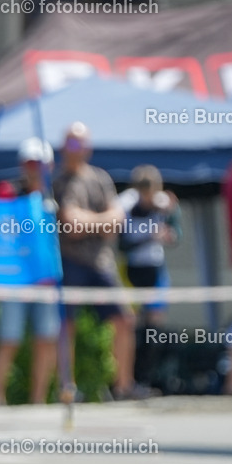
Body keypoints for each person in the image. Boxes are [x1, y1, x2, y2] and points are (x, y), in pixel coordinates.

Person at [54, 122, 147, 401]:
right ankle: (67, 388)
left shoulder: (100, 178)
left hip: (101, 263)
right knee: (66, 325)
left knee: (124, 318)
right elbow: (71, 224)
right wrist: (100, 222)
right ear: (64, 147)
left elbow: (116, 221)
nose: (77, 148)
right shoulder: (58, 182)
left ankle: (123, 385)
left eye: (81, 143)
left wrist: (88, 221)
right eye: (72, 143)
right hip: (68, 262)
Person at [0, 138, 61, 405]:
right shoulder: (7, 194)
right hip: (14, 281)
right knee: (9, 338)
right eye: (30, 164)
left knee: (47, 339)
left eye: (40, 164)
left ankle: (39, 400)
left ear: (50, 166)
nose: (35, 169)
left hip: (46, 281)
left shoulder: (55, 197)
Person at [117, 165, 181, 327]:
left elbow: (176, 235)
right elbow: (122, 246)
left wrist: (172, 218)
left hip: (156, 268)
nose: (148, 200)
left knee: (155, 323)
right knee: (132, 321)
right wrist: (150, 237)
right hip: (132, 269)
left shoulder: (163, 204)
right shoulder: (126, 205)